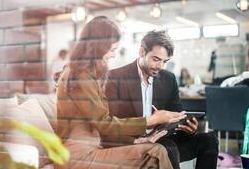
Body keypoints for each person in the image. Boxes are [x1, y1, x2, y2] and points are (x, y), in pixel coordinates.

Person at [56, 17, 181, 168]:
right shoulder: (80, 74)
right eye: (112, 49)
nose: (114, 55)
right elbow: (104, 123)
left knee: (156, 151)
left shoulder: (86, 73)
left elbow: (101, 125)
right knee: (155, 153)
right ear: (98, 47)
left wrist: (135, 141)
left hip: (93, 146)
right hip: (78, 154)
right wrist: (152, 120)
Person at [106, 31, 219, 169]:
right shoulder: (115, 77)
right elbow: (110, 124)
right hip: (133, 142)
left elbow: (177, 114)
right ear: (142, 52)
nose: (160, 66)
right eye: (156, 59)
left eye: (165, 61)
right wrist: (145, 131)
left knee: (209, 140)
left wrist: (188, 127)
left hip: (162, 138)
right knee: (168, 147)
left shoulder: (169, 79)